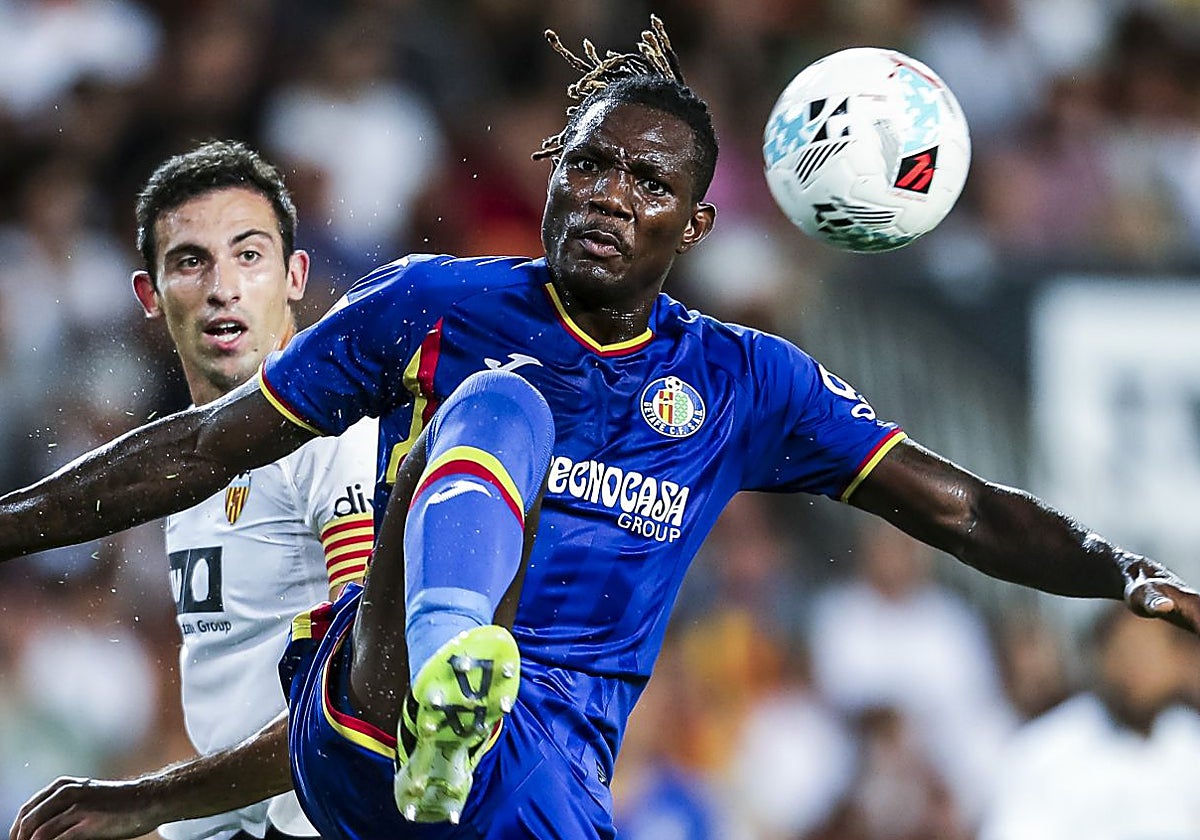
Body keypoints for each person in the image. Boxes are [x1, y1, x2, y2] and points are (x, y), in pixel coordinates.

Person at [5, 16, 1200, 839]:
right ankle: (450, 668)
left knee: (526, 726)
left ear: (692, 225)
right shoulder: (436, 301)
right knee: (500, 402)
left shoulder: (746, 383)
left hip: (547, 776)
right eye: (587, 167)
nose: (606, 197)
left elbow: (968, 508)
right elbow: (202, 447)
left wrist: (1132, 579)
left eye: (646, 183)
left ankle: (464, 712)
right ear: (552, 173)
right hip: (368, 718)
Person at [11, 141, 377, 840]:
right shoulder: (181, 463)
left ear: (294, 275)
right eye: (190, 261)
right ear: (149, 294)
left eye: (249, 255)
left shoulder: (333, 437)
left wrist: (145, 802)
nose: (222, 287)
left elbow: (352, 694)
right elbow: (236, 700)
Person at [978, 603, 1200, 839]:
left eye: (1151, 653)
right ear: (1101, 656)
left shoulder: (1189, 739)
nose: (1139, 668)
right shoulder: (1043, 751)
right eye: (1128, 651)